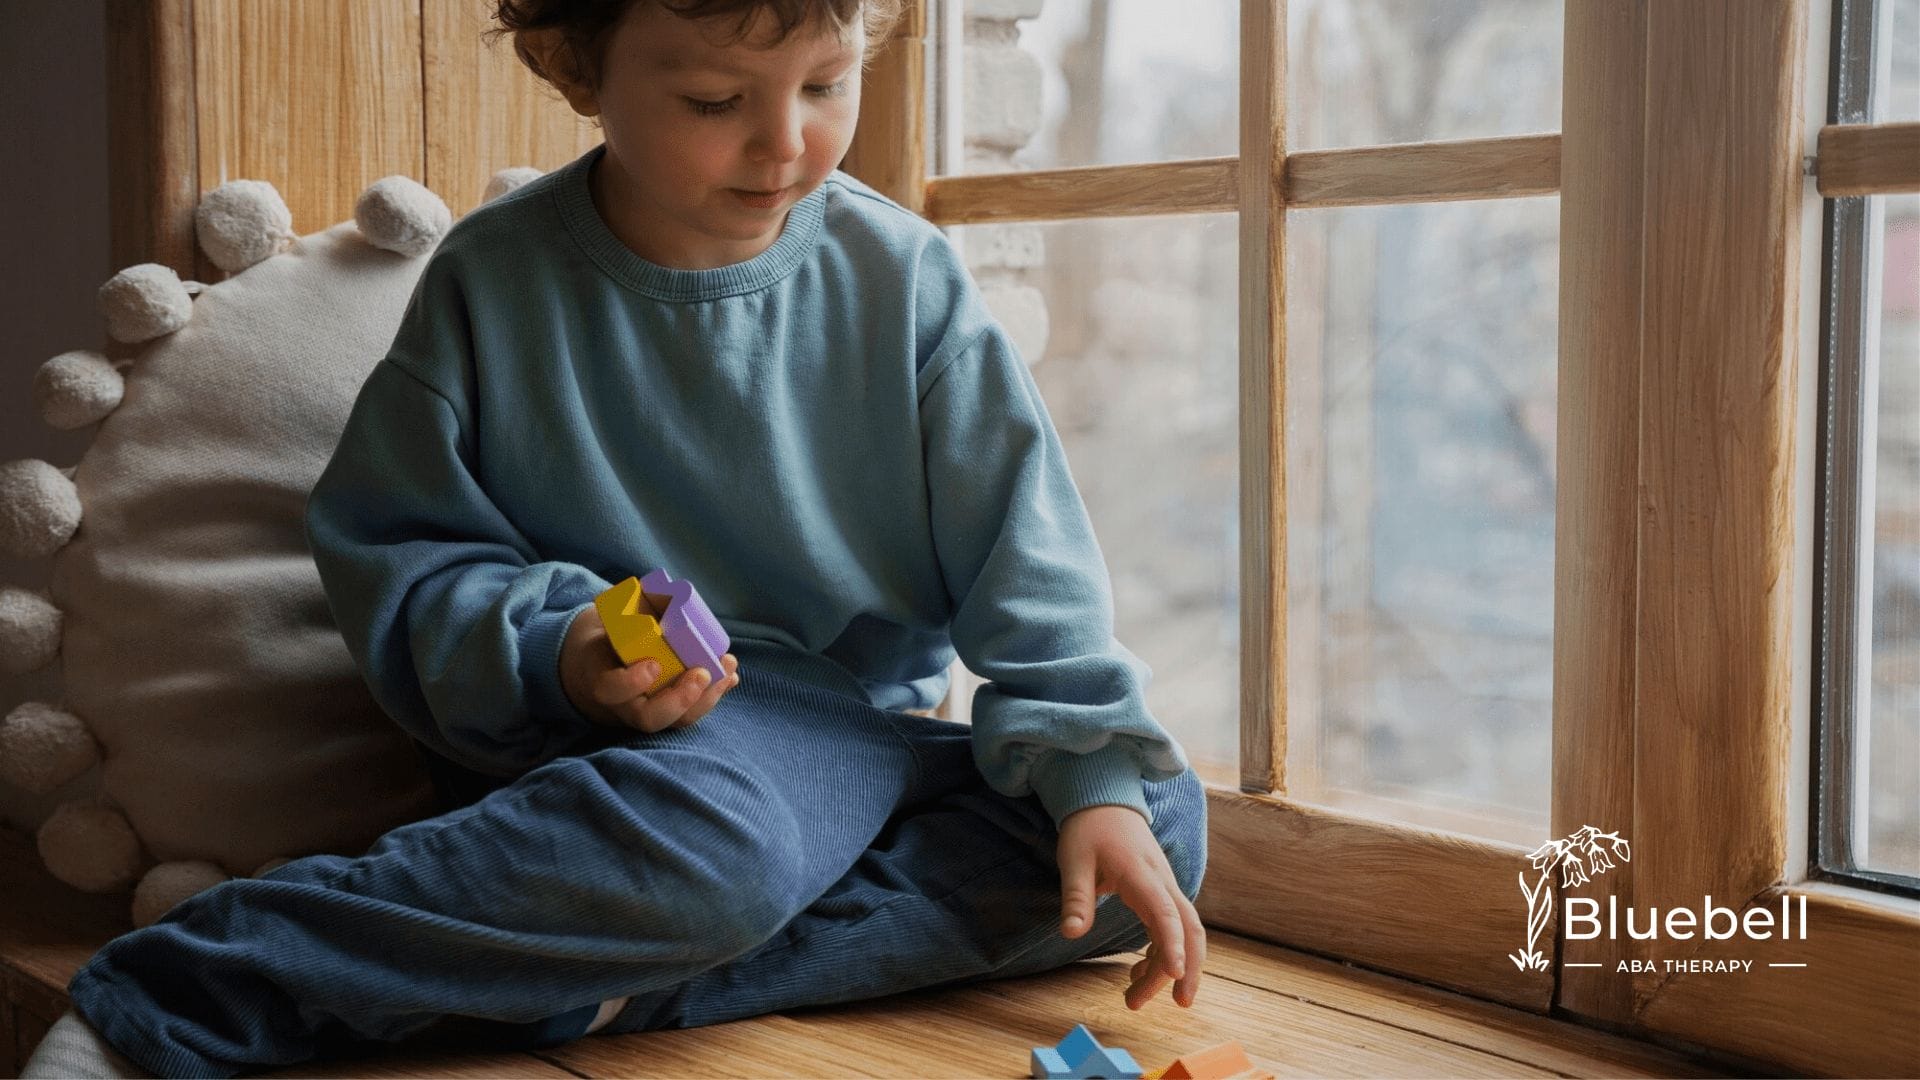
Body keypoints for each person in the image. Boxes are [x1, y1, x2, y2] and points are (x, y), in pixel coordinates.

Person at [24, 0, 1207, 1075]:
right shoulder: (493, 283)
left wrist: (1085, 772)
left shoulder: (907, 280)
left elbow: (1028, 555)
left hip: (865, 743)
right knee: (719, 850)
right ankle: (178, 992)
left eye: (828, 83)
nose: (785, 141)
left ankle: (588, 988)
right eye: (713, 102)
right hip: (615, 765)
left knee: (1151, 825)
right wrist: (565, 649)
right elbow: (401, 558)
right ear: (572, 63)